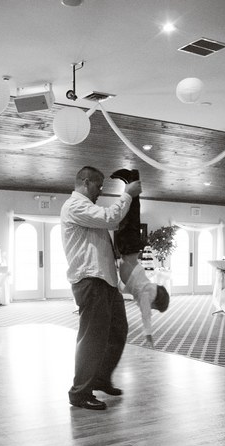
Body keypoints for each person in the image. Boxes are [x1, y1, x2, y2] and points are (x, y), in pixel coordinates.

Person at [61, 165, 142, 410]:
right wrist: (127, 194)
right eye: (98, 186)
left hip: (105, 280)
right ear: (85, 183)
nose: (100, 191)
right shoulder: (75, 206)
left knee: (118, 331)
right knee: (92, 339)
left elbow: (111, 223)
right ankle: (80, 392)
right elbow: (110, 218)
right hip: (91, 280)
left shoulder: (86, 207)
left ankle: (100, 378)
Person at [111, 168, 170, 347]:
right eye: (155, 308)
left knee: (129, 216)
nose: (152, 309)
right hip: (128, 248)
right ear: (155, 302)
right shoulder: (147, 295)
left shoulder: (143, 291)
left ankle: (128, 182)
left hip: (129, 250)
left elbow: (124, 289)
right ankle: (132, 178)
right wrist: (148, 335)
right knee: (130, 216)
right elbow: (146, 315)